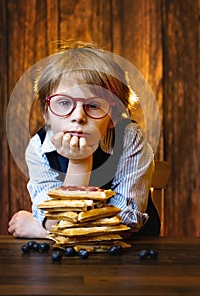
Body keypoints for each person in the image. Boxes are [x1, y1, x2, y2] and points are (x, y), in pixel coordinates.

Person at [8, 42, 160, 238]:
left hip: (132, 255)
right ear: (46, 113)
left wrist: (43, 232)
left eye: (94, 105)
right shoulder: (39, 149)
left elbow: (125, 222)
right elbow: (52, 217)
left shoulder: (129, 138)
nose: (78, 116)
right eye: (63, 102)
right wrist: (78, 164)